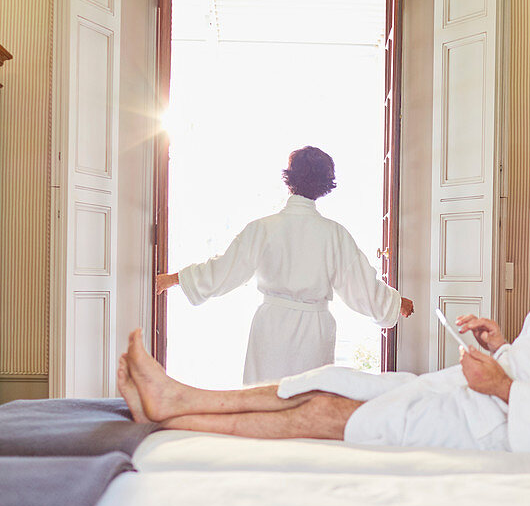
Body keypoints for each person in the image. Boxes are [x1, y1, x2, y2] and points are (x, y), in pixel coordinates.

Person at [124, 186, 530, 453]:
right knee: (320, 383)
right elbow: (362, 283)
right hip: (475, 394)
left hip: (488, 420)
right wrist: (503, 348)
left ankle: (175, 410)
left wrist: (504, 382)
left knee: (322, 406)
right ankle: (178, 397)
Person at [156, 145, 414, 385]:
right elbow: (360, 286)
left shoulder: (263, 228)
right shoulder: (334, 234)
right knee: (306, 406)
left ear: (289, 179)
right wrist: (395, 302)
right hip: (315, 332)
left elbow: (224, 270)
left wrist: (174, 279)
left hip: (271, 329)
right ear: (325, 184)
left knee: (265, 404)